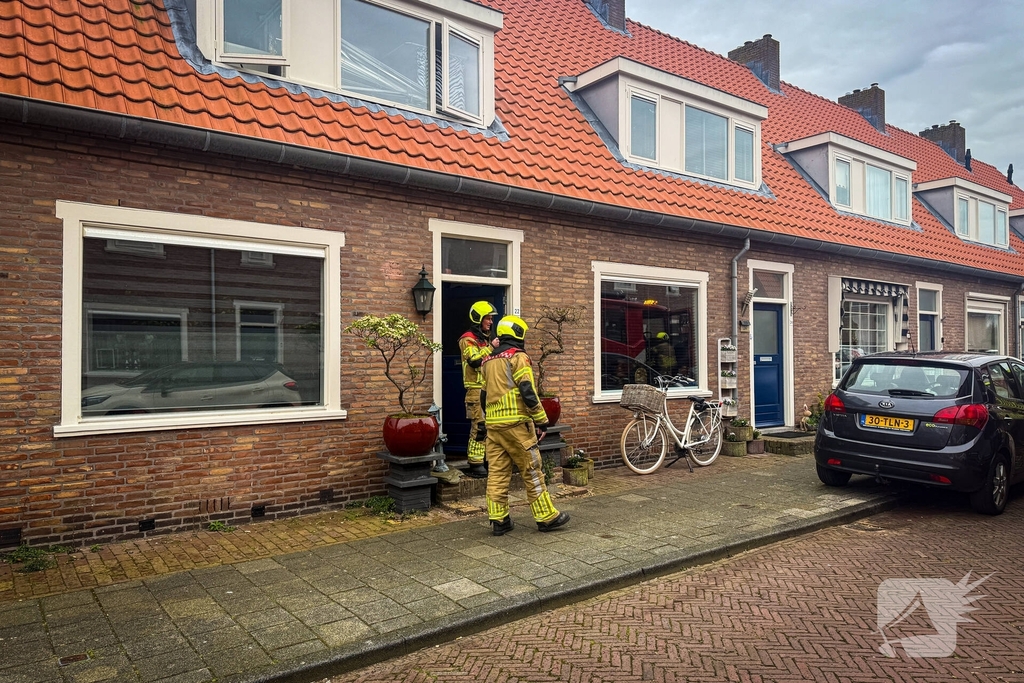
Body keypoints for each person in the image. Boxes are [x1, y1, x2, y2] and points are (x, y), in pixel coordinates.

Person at [480, 315, 570, 536]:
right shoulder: (518, 357)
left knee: (497, 474)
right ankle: (546, 517)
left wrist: (489, 419)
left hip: (494, 427)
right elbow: (528, 391)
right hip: (517, 424)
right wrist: (541, 420)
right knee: (532, 471)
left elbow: (483, 396)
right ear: (518, 334)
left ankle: (499, 520)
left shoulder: (487, 360)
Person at [459, 301, 499, 478]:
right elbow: (474, 361)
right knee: (479, 427)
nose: (491, 322)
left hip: (489, 389)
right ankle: (475, 464)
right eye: (487, 318)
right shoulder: (468, 339)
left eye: (491, 319)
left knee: (491, 427)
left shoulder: (486, 339)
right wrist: (491, 348)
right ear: (478, 319)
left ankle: (487, 460)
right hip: (475, 390)